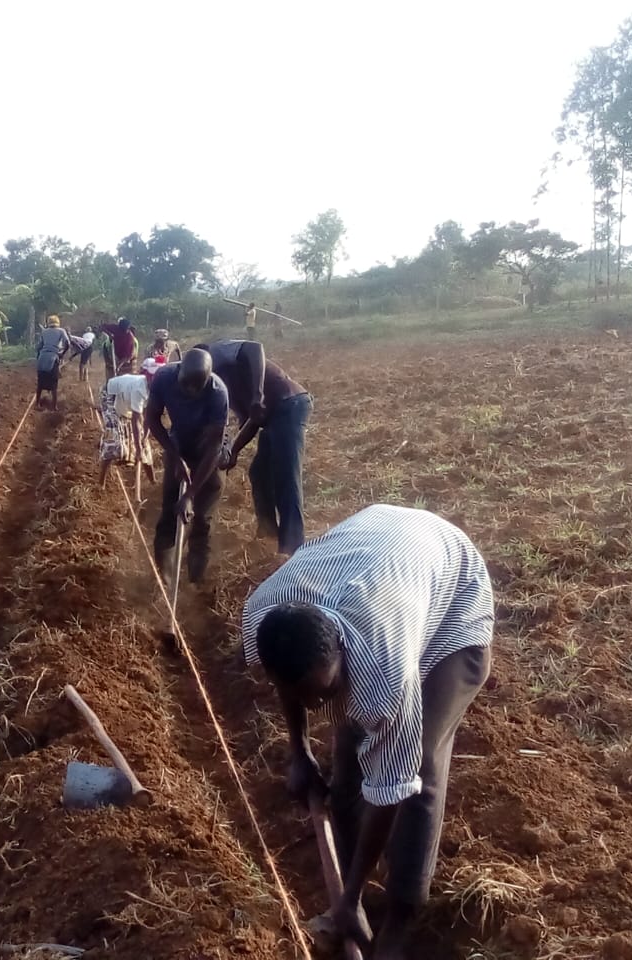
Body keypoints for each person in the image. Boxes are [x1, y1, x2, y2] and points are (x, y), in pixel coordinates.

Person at [242, 505, 494, 960]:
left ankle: (398, 918)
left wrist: (352, 897)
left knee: (417, 765)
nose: (319, 706)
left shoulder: (385, 672)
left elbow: (393, 784)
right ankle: (348, 882)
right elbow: (291, 680)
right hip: (381, 550)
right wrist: (299, 751)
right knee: (351, 756)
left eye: (326, 690)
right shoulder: (264, 613)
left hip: (455, 605)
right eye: (306, 697)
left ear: (340, 646)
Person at [199, 339, 312, 555]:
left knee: (286, 479)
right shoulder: (218, 387)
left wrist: (257, 394)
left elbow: (255, 347)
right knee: (259, 473)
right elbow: (253, 419)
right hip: (272, 416)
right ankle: (268, 534)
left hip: (289, 404)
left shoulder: (217, 353)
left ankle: (293, 549)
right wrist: (233, 450)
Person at [145, 348, 229, 583]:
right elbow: (152, 418)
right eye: (185, 386)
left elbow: (214, 447)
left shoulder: (217, 392)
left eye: (197, 387)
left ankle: (196, 581)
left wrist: (191, 493)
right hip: (178, 445)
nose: (190, 392)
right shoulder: (164, 378)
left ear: (208, 379)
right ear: (178, 370)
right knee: (170, 511)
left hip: (206, 454)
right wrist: (175, 456)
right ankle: (165, 576)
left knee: (202, 519)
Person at [96, 369, 155, 489]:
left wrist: (144, 438)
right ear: (149, 378)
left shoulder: (159, 390)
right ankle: (100, 482)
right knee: (113, 437)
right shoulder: (139, 389)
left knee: (145, 445)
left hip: (125, 399)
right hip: (111, 394)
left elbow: (149, 417)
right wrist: (138, 448)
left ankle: (153, 481)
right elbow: (135, 421)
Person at [35, 314, 71, 409]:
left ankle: (37, 404)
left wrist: (38, 355)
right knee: (54, 383)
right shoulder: (61, 331)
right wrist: (62, 353)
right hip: (53, 358)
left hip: (42, 358)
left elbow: (39, 346)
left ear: (48, 323)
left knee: (40, 383)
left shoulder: (44, 332)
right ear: (57, 323)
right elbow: (67, 343)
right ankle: (54, 406)